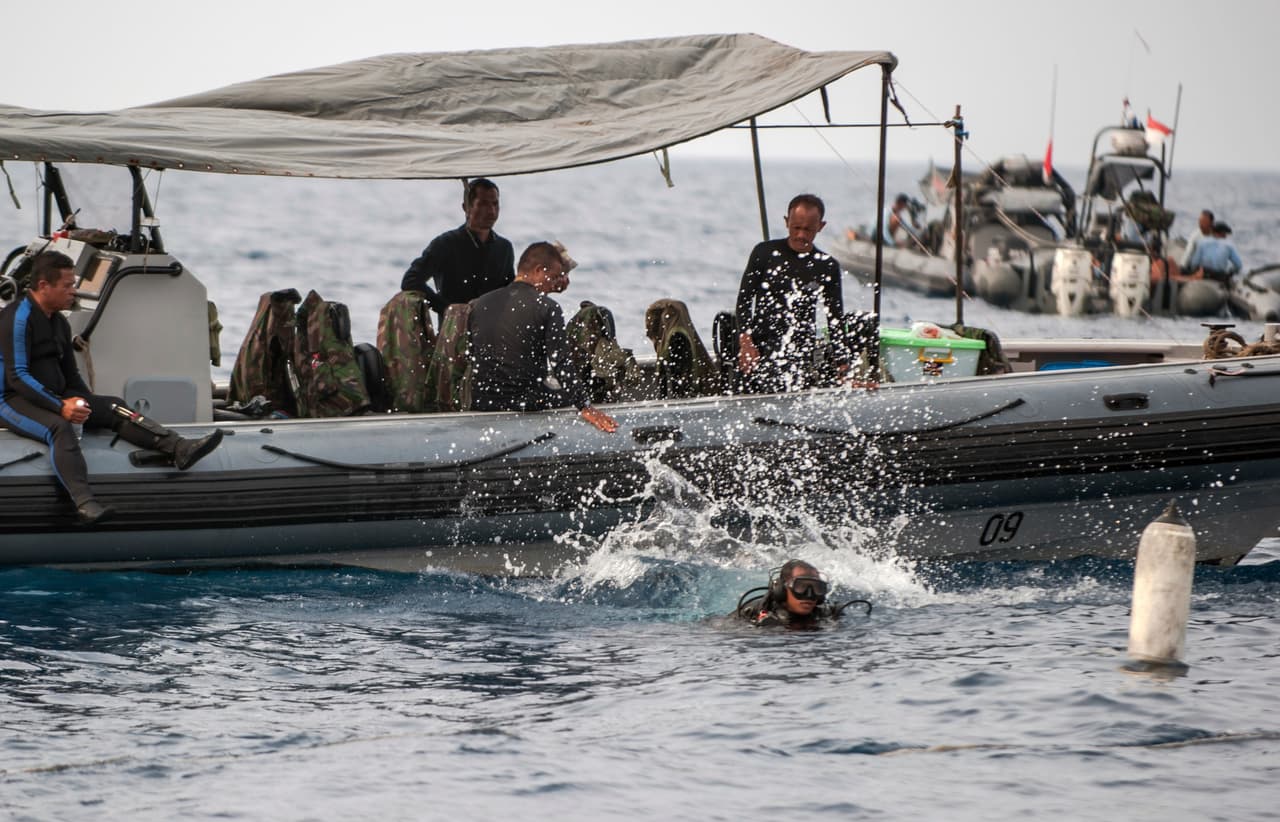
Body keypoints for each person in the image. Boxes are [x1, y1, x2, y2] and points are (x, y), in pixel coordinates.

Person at [0, 252, 224, 524]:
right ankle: (84, 503)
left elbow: (70, 374)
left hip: (53, 395)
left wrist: (89, 404)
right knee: (59, 427)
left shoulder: (58, 321)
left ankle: (178, 447)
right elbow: (17, 377)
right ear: (44, 286)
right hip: (11, 400)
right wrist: (61, 407)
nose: (74, 291)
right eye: (68, 285)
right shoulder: (17, 318)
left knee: (113, 405)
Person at [467, 241, 618, 433]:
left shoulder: (479, 304)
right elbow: (561, 362)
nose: (555, 284)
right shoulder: (547, 307)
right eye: (554, 277)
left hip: (483, 401)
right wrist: (585, 406)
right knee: (580, 393)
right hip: (526, 401)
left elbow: (473, 356)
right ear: (539, 270)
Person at [735, 193, 844, 393]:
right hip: (760, 346)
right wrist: (746, 343)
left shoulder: (826, 266)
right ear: (787, 222)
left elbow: (835, 319)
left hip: (799, 351)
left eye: (808, 229)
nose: (801, 235)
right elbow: (744, 300)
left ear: (820, 227)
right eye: (796, 228)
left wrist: (843, 365)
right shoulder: (764, 253)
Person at [400, 177, 515, 324]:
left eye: (495, 204)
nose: (491, 211)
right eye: (483, 204)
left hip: (491, 330)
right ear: (466, 207)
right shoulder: (445, 243)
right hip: (453, 332)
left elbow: (510, 291)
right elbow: (411, 280)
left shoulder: (504, 248)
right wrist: (446, 309)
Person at [733, 559, 842, 629]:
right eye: (801, 587)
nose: (809, 595)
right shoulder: (751, 612)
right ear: (781, 590)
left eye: (817, 588)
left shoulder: (826, 614)